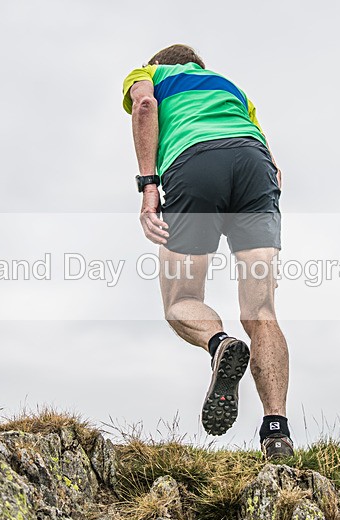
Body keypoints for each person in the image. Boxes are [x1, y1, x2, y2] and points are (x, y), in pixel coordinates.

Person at [122, 44, 293, 459]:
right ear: (200, 66)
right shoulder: (231, 88)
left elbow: (145, 106)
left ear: (160, 63)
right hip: (254, 167)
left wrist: (148, 185)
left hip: (196, 163)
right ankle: (276, 431)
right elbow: (275, 166)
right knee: (262, 312)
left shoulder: (150, 74)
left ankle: (219, 344)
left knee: (181, 301)